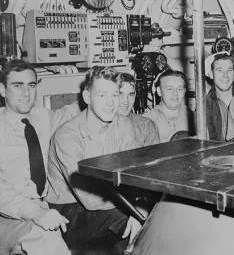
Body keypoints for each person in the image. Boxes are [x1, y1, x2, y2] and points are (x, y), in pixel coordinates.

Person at [46, 66, 142, 251]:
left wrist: (141, 207)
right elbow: (89, 199)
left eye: (115, 95)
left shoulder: (124, 124)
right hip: (68, 213)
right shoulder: (67, 136)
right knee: (137, 218)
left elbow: (138, 173)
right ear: (87, 97)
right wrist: (135, 211)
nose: (111, 103)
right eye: (103, 95)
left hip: (113, 201)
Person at [0, 59, 79, 255]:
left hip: (44, 206)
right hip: (7, 214)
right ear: (2, 90)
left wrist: (98, 93)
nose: (26, 93)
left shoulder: (42, 116)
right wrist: (36, 212)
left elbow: (70, 113)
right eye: (17, 86)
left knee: (118, 215)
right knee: (46, 239)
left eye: (31, 85)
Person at [143, 69, 195, 143]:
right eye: (169, 89)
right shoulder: (146, 121)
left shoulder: (196, 119)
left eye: (179, 89)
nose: (175, 94)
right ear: (159, 91)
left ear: (184, 91)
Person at [205, 52, 234, 141]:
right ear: (211, 74)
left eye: (229, 70)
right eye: (219, 70)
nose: (225, 75)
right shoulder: (205, 104)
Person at [117, 72, 160, 146]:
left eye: (131, 94)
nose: (126, 101)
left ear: (135, 95)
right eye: (120, 94)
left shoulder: (147, 126)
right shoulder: (101, 128)